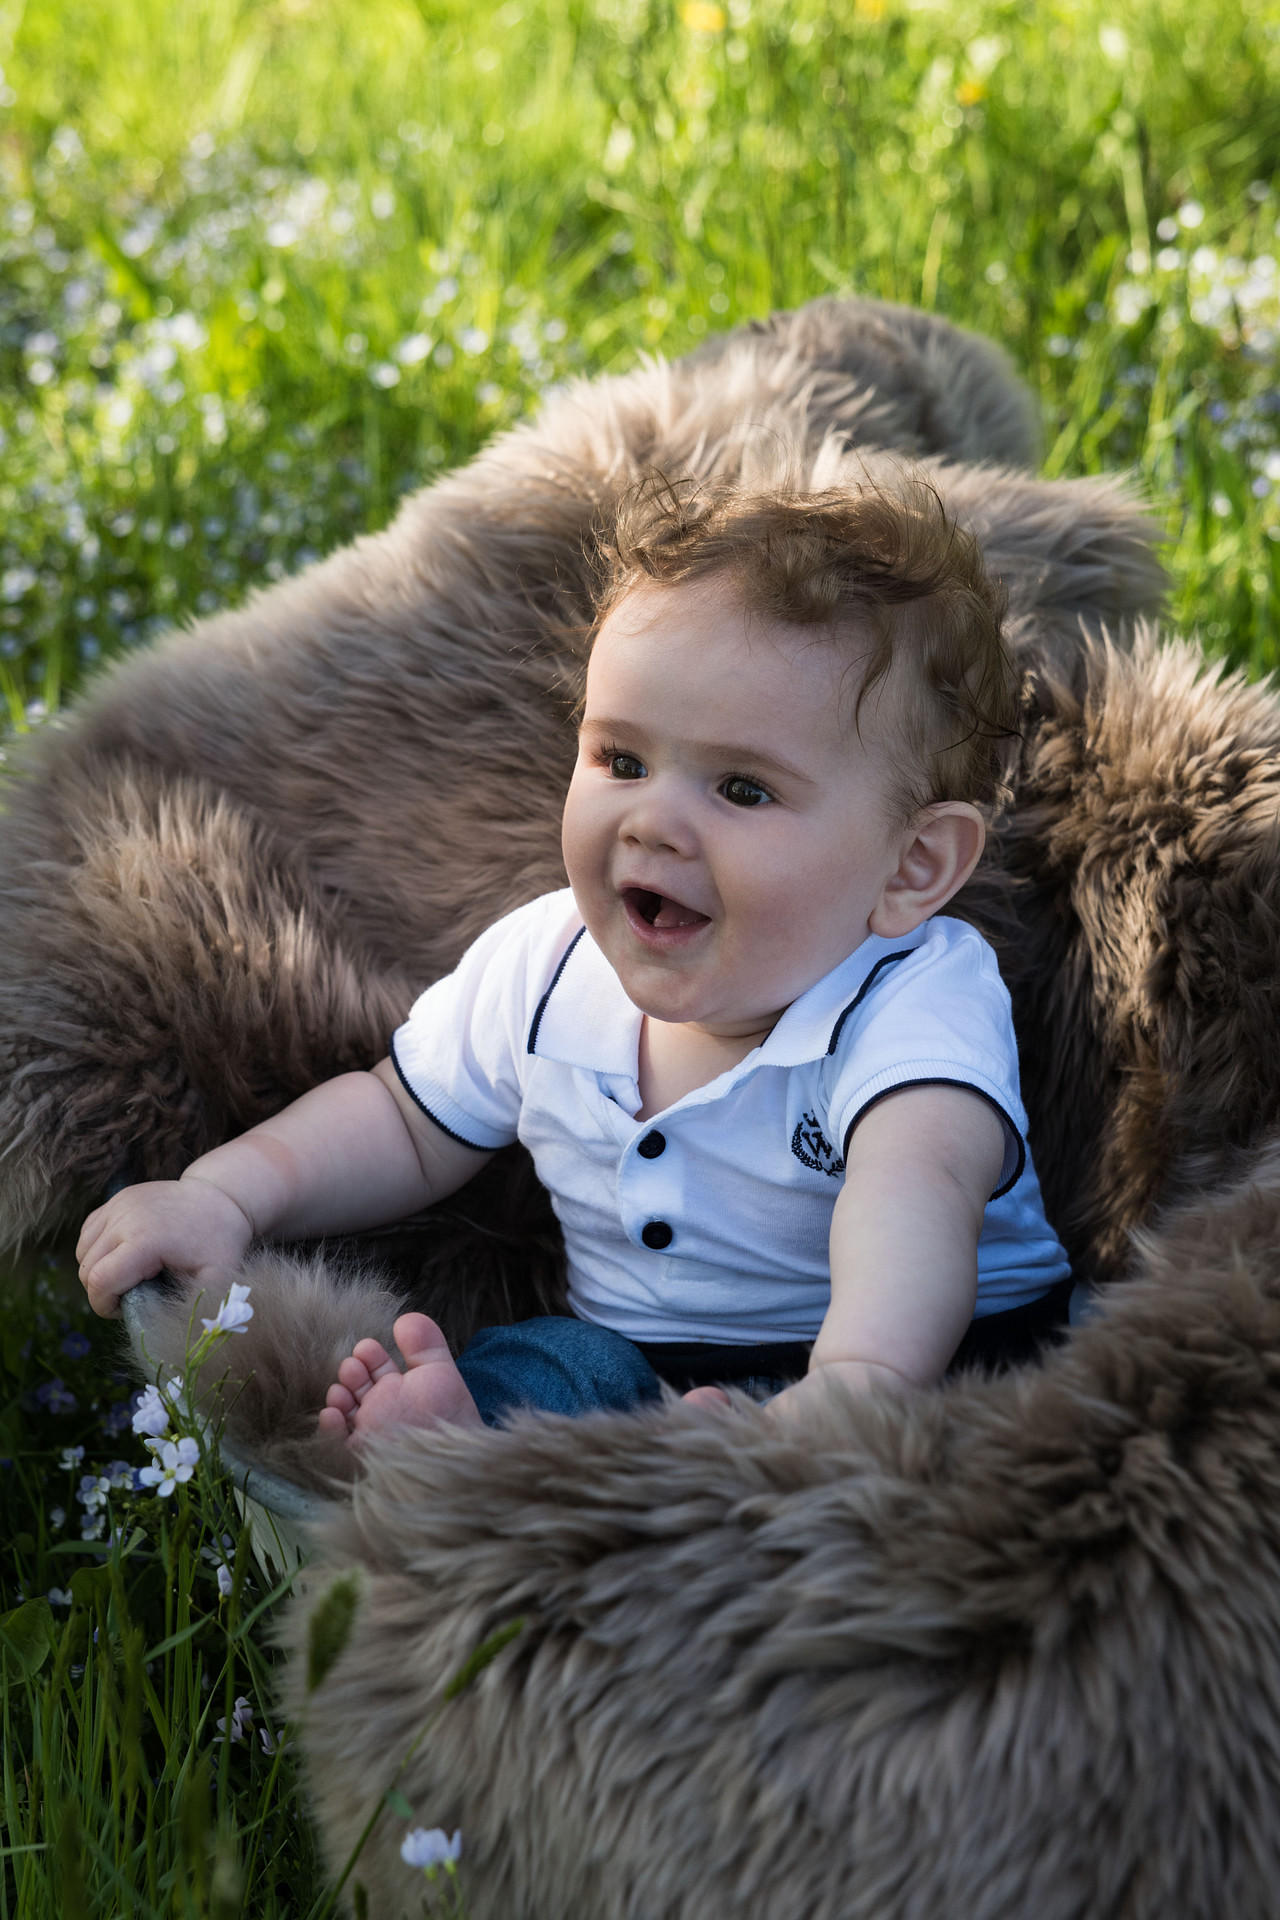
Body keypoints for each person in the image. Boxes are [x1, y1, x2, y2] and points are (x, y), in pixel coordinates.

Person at [77, 475, 1071, 1438]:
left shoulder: (915, 999)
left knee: (969, 1442)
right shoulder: (544, 966)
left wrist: (853, 1387)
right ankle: (456, 1443)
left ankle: (690, 1465)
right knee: (544, 1360)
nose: (652, 822)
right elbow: (399, 1123)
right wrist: (223, 1195)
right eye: (622, 761)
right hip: (634, 1371)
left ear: (910, 865)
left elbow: (914, 1196)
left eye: (742, 789)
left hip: (927, 1366)